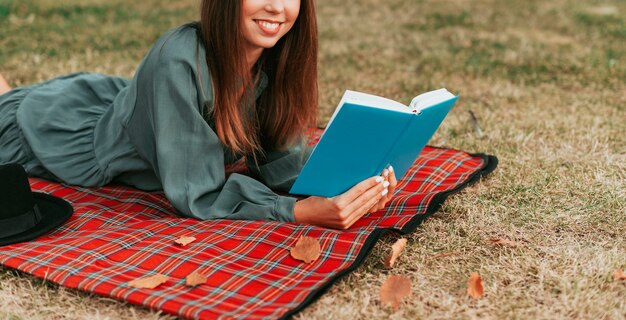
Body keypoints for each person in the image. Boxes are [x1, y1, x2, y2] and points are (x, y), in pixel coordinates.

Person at [0, 0, 397, 230]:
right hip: (59, 138)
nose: (277, 7)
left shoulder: (278, 57)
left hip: (113, 103)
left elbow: (281, 163)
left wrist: (350, 184)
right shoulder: (180, 58)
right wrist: (299, 211)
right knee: (8, 107)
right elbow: (197, 192)